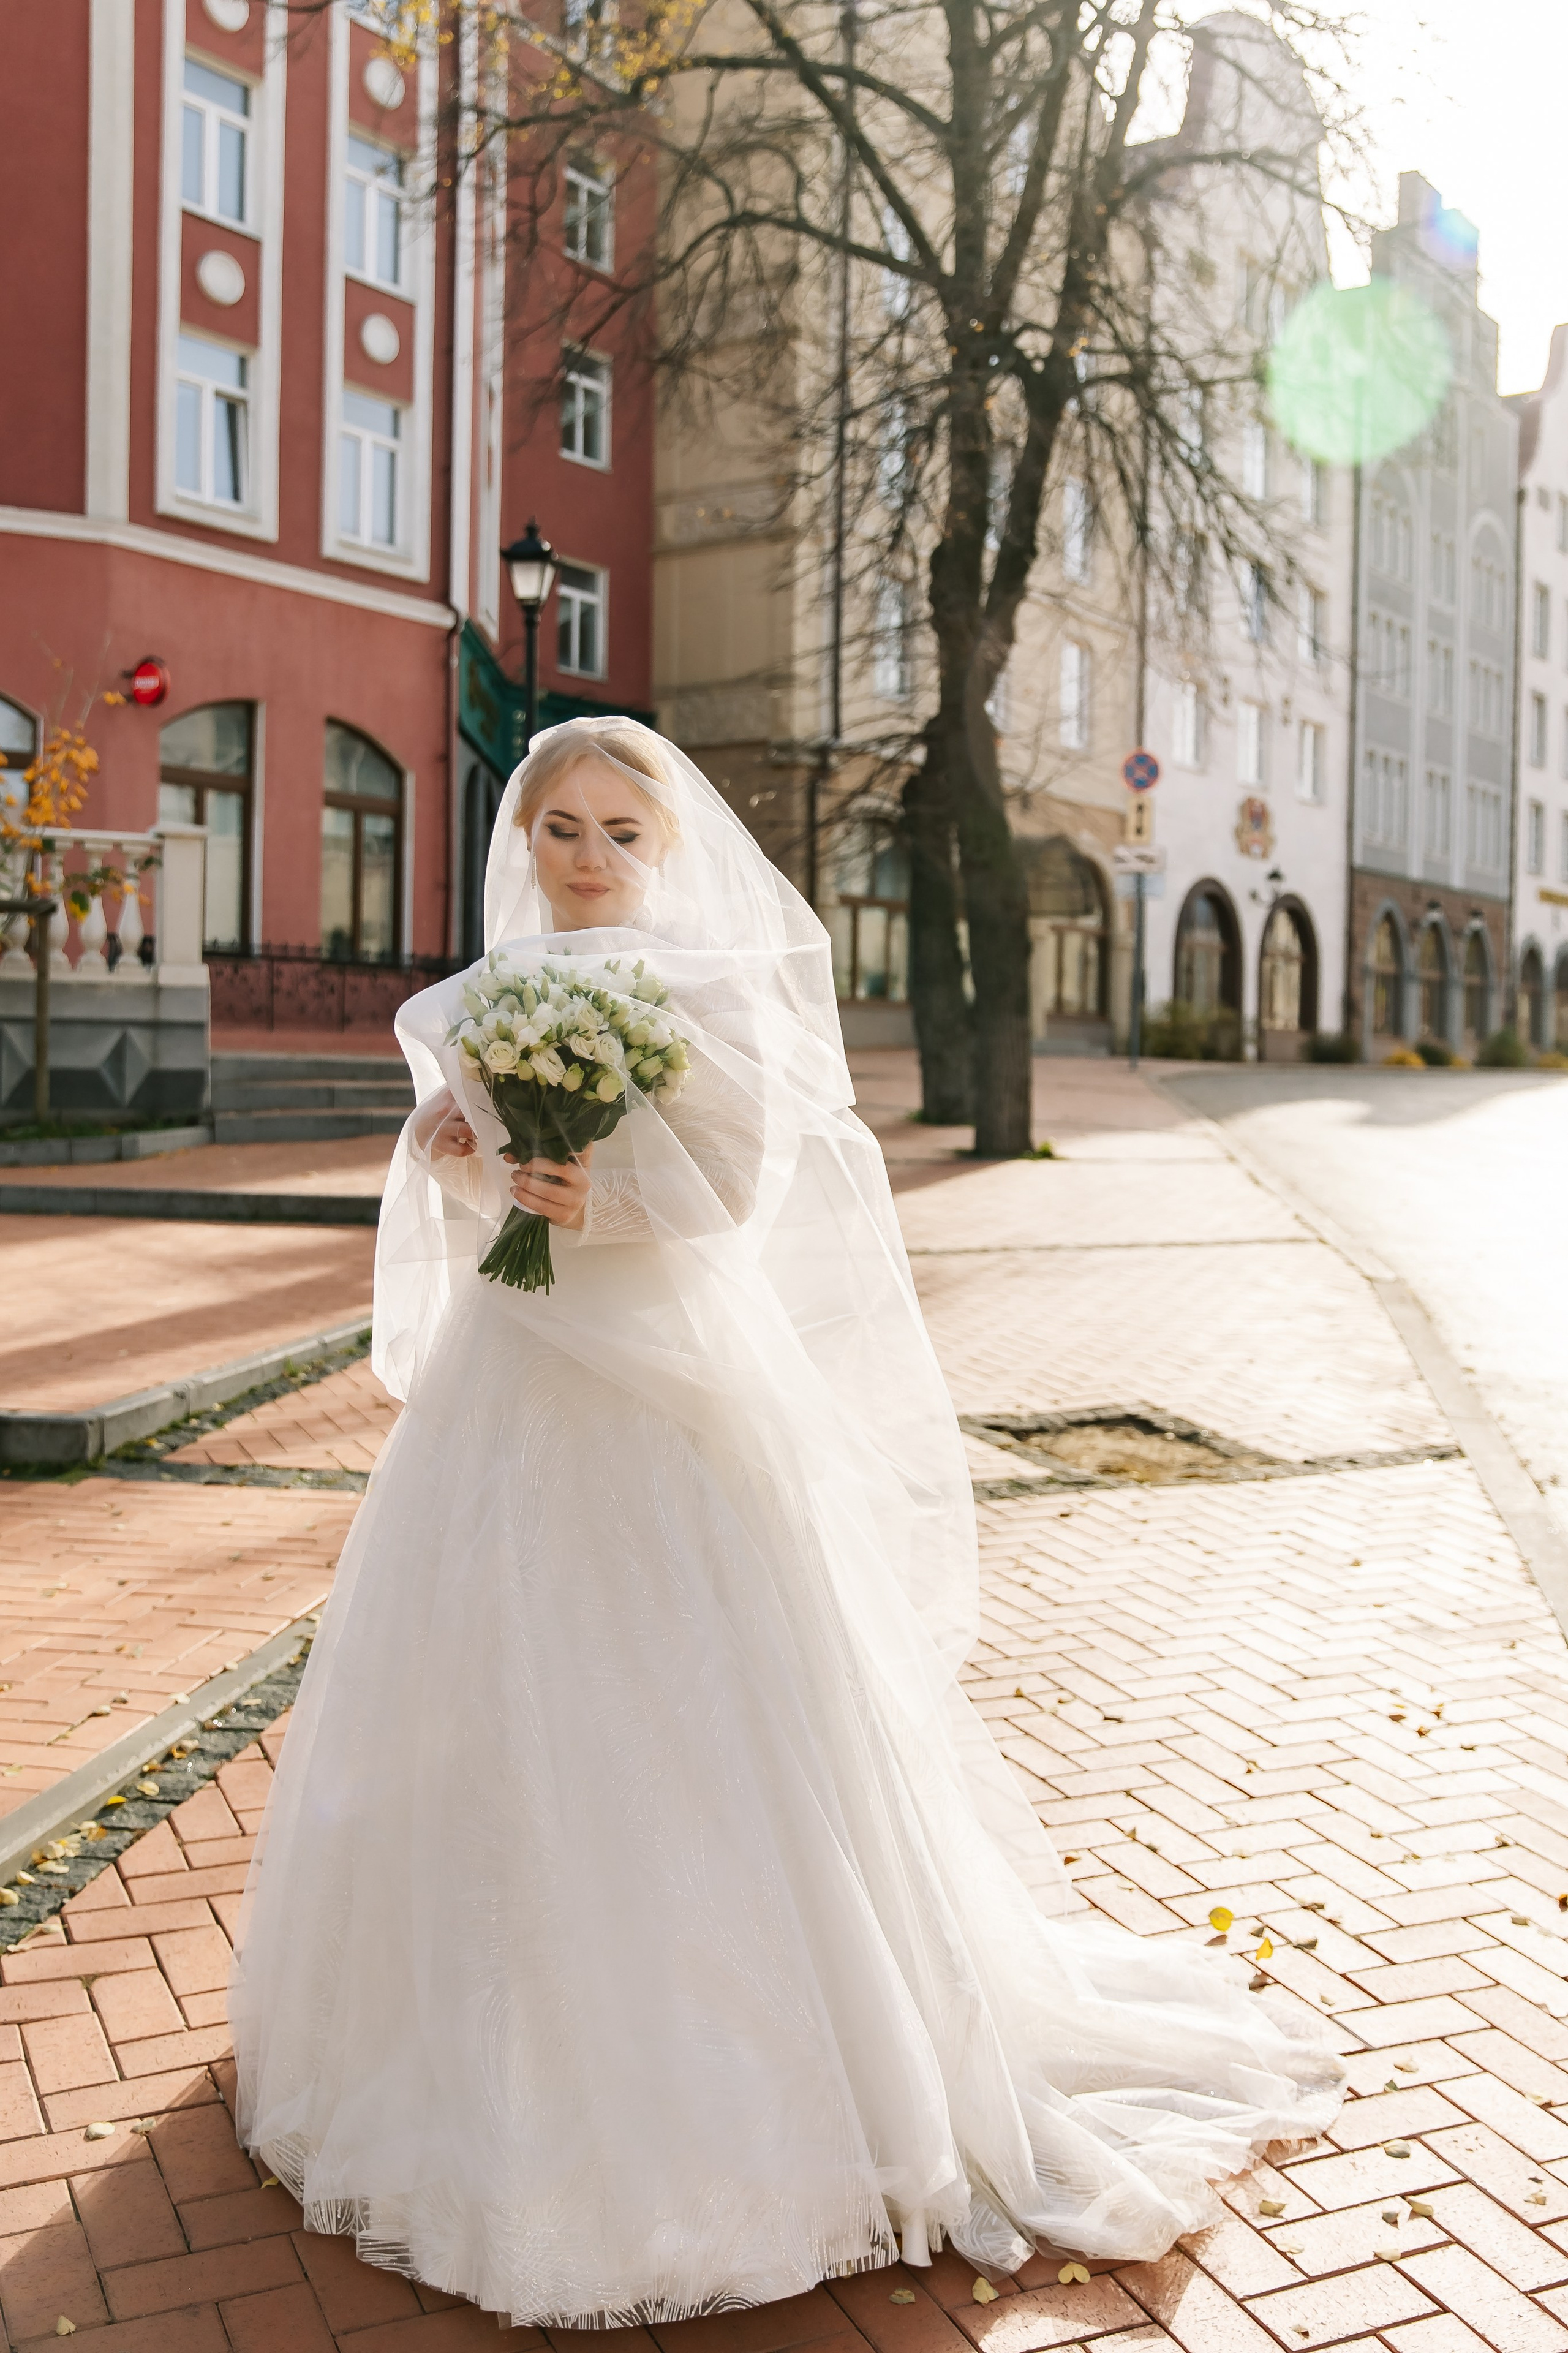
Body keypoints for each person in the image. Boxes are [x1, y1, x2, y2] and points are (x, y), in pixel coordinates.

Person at [230, 717, 1342, 2329]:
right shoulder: (477, 1003)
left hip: (670, 1385)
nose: (591, 855)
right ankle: (471, 2051)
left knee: (697, 1708)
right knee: (490, 1691)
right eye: (563, 827)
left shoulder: (716, 993)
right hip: (515, 1381)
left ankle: (763, 2075)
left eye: (622, 829)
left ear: (664, 847)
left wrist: (582, 1184)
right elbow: (464, 1208)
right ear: (521, 836)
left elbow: (732, 1192)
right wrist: (462, 1153)